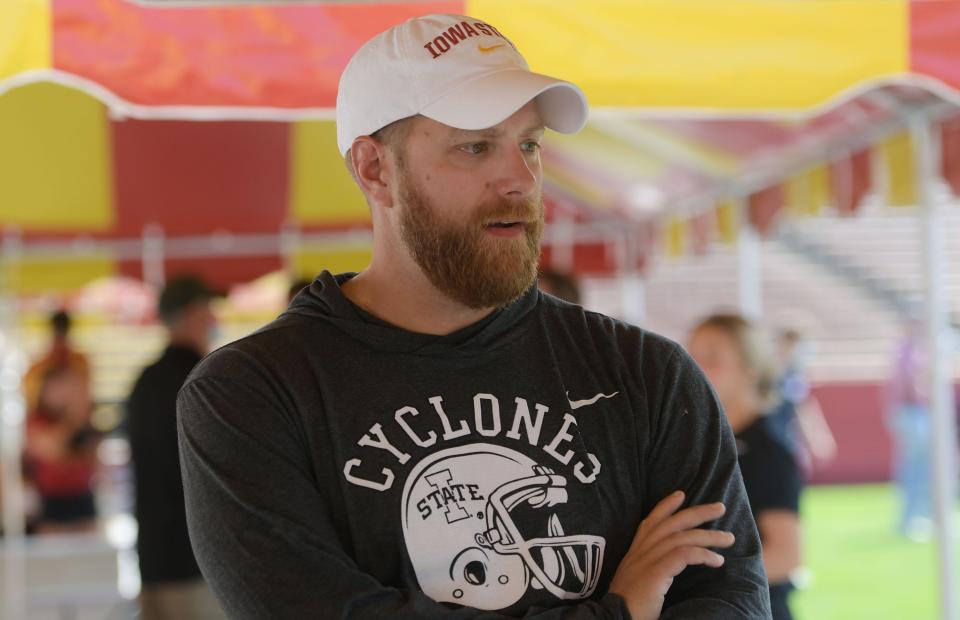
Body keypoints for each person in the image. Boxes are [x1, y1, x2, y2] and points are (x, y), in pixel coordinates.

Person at [177, 14, 771, 619]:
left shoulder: (645, 374)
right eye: (475, 145)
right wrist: (617, 611)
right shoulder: (252, 394)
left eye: (530, 144)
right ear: (374, 169)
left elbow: (730, 600)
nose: (520, 178)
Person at [688, 314, 802, 620]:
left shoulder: (767, 448)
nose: (697, 369)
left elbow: (787, 554)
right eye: (692, 357)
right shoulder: (708, 441)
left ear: (750, 368)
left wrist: (703, 582)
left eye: (712, 358)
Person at [125, 276, 225, 620]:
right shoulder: (201, 380)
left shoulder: (145, 381)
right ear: (191, 314)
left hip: (154, 554)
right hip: (195, 559)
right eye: (209, 310)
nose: (215, 320)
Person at [22, 309, 98, 533]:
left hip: (79, 489)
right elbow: (51, 447)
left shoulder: (76, 362)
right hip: (52, 493)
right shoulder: (45, 367)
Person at [885, 314, 932, 540]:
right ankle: (910, 519)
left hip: (911, 412)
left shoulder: (912, 349)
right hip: (911, 412)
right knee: (915, 468)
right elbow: (911, 386)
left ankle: (918, 516)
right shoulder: (907, 351)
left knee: (919, 467)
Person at [767, 328, 836, 475]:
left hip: (782, 442)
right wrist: (815, 438)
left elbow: (802, 406)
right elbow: (800, 409)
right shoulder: (785, 376)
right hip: (781, 442)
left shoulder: (788, 375)